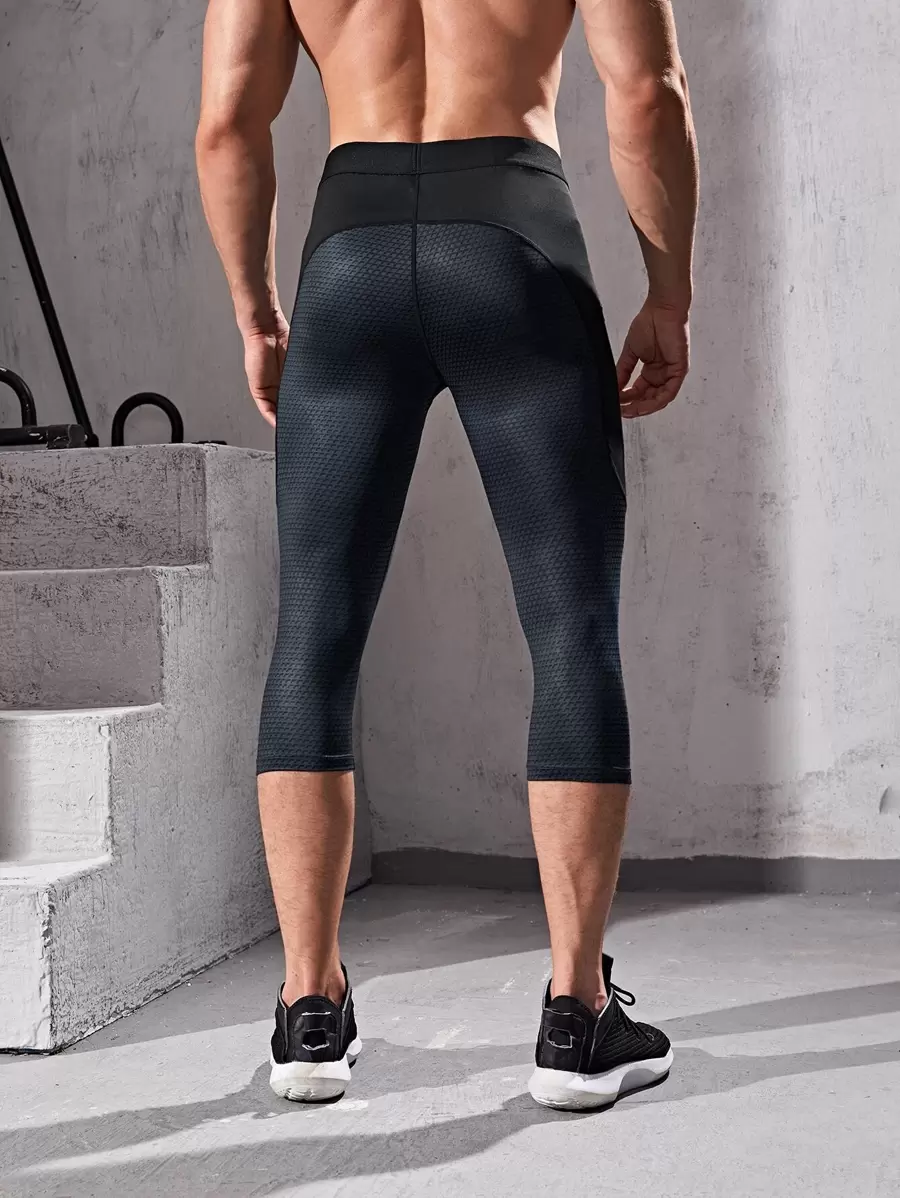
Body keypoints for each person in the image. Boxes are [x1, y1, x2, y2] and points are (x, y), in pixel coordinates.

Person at [196, 0, 698, 1110]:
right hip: (515, 246)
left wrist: (257, 314)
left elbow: (228, 123)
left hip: (350, 260)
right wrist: (670, 294)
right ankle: (577, 1015)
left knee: (314, 633)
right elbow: (648, 90)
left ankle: (309, 1010)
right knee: (570, 628)